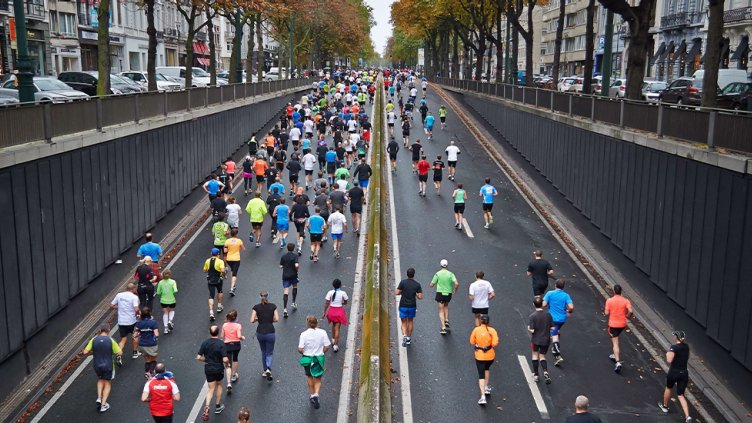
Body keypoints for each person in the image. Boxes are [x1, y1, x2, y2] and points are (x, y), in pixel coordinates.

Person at [83, 326, 122, 413]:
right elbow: (119, 352)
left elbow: (85, 352)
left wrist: (93, 353)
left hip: (97, 365)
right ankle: (103, 405)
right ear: (108, 331)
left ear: (100, 331)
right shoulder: (110, 340)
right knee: (108, 383)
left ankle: (99, 398)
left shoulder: (94, 339)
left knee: (100, 379)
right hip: (108, 365)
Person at [298, 316, 331, 410]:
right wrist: (322, 352)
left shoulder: (304, 334)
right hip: (318, 358)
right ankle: (316, 394)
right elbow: (327, 346)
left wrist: (304, 353)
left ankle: (312, 395)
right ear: (317, 323)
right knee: (318, 378)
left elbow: (300, 349)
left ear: (307, 323)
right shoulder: (322, 332)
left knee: (309, 376)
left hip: (308, 358)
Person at [658, 331, 692, 422]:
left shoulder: (674, 348)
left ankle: (665, 407)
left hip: (674, 372)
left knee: (668, 388)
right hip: (684, 373)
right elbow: (687, 357)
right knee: (681, 395)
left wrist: (667, 354)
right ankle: (687, 416)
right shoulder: (687, 347)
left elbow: (669, 360)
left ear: (676, 338)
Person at [197, 326, 229, 420]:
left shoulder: (205, 343)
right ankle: (218, 406)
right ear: (218, 332)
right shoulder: (221, 344)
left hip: (209, 368)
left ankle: (207, 406)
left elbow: (199, 357)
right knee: (219, 385)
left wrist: (206, 360)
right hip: (218, 368)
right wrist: (227, 364)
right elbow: (225, 359)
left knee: (210, 388)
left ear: (210, 332)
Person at [542, 279, 574, 366]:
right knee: (556, 331)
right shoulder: (566, 295)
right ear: (563, 286)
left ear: (555, 285)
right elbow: (571, 307)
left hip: (552, 319)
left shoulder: (550, 293)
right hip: (562, 319)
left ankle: (557, 355)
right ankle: (555, 340)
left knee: (554, 336)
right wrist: (569, 311)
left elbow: (543, 304)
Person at [470, 315, 499, 405]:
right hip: (490, 356)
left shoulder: (476, 330)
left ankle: (483, 397)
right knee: (487, 369)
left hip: (479, 356)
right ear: (488, 322)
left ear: (481, 321)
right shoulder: (492, 330)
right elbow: (495, 343)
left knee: (481, 375)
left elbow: (472, 342)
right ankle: (486, 387)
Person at [604, 284, 632, 374]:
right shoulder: (626, 301)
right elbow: (631, 311)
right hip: (622, 324)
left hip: (613, 324)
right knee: (616, 338)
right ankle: (614, 355)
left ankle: (617, 362)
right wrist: (627, 316)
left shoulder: (609, 300)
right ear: (621, 292)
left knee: (615, 342)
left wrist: (608, 310)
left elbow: (606, 313)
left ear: (614, 291)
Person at [252, 292, 279, 381]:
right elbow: (277, 319)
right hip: (270, 331)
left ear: (260, 297)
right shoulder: (273, 306)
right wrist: (270, 319)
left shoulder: (256, 307)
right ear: (268, 297)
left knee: (263, 351)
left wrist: (258, 319)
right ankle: (269, 368)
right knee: (269, 352)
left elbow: (252, 320)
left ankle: (264, 370)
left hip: (260, 332)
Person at [110, 283, 140, 362]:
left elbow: (111, 306)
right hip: (132, 321)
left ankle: (118, 354)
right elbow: (136, 309)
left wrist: (119, 307)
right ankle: (135, 353)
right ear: (133, 289)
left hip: (121, 322)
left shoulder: (119, 295)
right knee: (135, 336)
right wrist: (140, 313)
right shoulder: (134, 297)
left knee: (123, 339)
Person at [528, 296, 554, 384]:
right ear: (542, 304)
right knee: (542, 356)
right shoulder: (548, 315)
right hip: (546, 340)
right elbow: (553, 328)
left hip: (536, 340)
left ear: (533, 304)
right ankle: (545, 372)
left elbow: (532, 330)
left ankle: (536, 375)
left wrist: (529, 328)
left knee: (535, 355)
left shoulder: (532, 316)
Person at [429, 259, 459, 335]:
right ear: (447, 265)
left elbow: (431, 284)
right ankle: (446, 319)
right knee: (446, 305)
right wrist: (454, 290)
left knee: (440, 310)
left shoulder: (437, 274)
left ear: (440, 265)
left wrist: (433, 285)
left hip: (440, 293)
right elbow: (456, 283)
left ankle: (443, 327)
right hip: (448, 293)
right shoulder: (451, 274)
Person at [396, 268, 423, 347]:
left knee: (404, 322)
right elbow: (420, 297)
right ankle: (408, 338)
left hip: (403, 305)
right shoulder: (417, 284)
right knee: (410, 321)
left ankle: (404, 335)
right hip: (412, 306)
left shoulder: (403, 283)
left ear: (407, 274)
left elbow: (397, 292)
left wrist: (401, 291)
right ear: (414, 274)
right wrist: (416, 294)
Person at [322, 279, 349, 352]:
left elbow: (327, 303)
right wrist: (341, 303)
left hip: (331, 311)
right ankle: (335, 345)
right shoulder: (343, 293)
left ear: (333, 285)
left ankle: (333, 339)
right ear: (340, 285)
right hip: (339, 312)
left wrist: (324, 312)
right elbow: (345, 302)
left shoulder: (330, 292)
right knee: (337, 328)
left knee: (333, 325)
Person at [221, 309, 244, 394]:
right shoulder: (238, 325)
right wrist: (242, 337)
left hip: (227, 345)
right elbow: (239, 335)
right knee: (235, 359)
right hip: (236, 345)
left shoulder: (224, 325)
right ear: (236, 317)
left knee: (228, 364)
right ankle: (234, 375)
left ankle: (228, 383)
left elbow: (222, 335)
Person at [134, 307, 160, 379]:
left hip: (142, 344)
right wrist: (155, 338)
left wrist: (140, 333)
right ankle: (150, 373)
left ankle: (147, 373)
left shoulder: (139, 323)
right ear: (149, 313)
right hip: (151, 343)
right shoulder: (153, 322)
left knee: (147, 360)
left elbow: (135, 334)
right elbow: (156, 334)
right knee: (154, 359)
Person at [203, 248, 226, 321]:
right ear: (218, 254)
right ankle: (219, 306)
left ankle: (211, 312)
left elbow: (204, 270)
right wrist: (224, 275)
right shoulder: (220, 261)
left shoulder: (207, 261)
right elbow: (222, 270)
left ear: (211, 253)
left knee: (211, 295)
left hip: (210, 280)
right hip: (218, 280)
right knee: (220, 291)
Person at [280, 243, 300, 318]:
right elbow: (296, 265)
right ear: (293, 248)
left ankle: (285, 309)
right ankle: (293, 302)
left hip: (285, 275)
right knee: (295, 286)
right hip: (293, 275)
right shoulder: (295, 256)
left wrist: (284, 267)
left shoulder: (283, 256)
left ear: (287, 248)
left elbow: (281, 266)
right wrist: (297, 269)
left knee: (286, 290)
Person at [224, 228, 245, 296]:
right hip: (236, 259)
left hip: (229, 259)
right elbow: (243, 249)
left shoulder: (227, 241)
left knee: (232, 270)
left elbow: (225, 251)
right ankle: (231, 288)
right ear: (236, 234)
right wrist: (237, 250)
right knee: (234, 274)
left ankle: (233, 285)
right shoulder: (239, 241)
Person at [156, 269, 178, 334]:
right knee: (172, 310)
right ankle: (170, 321)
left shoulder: (160, 282)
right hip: (171, 299)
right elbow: (175, 290)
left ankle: (165, 328)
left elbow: (158, 292)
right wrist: (172, 292)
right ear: (170, 275)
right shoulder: (173, 282)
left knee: (165, 313)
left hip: (163, 300)